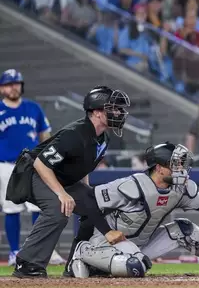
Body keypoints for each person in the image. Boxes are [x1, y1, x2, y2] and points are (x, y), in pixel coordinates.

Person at [67, 142, 199, 278]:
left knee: (185, 230)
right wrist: (105, 231)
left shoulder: (179, 189)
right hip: (106, 244)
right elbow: (88, 202)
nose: (181, 170)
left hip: (139, 246)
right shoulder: (132, 185)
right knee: (135, 267)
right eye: (176, 165)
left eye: (182, 165)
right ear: (159, 167)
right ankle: (83, 254)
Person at [9, 86, 130, 278]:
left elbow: (84, 167)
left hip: (60, 177)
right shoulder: (75, 133)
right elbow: (41, 163)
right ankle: (27, 263)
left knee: (96, 204)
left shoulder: (103, 137)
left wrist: (88, 196)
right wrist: (61, 193)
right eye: (113, 108)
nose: (119, 112)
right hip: (34, 173)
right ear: (97, 112)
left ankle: (76, 262)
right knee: (59, 209)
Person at [0, 69, 65, 266]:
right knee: (12, 209)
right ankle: (13, 252)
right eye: (10, 84)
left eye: (17, 83)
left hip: (32, 164)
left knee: (39, 207)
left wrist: (49, 158)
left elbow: (45, 135)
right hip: (7, 166)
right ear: (2, 88)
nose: (14, 87)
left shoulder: (33, 108)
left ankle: (44, 250)